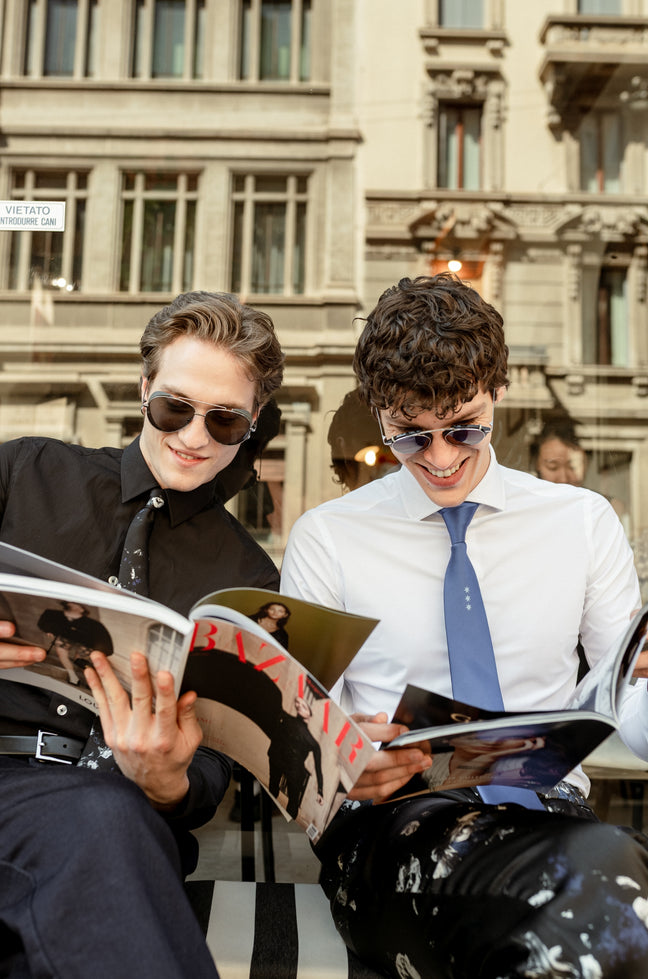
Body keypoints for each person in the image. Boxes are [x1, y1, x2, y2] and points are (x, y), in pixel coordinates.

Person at [281, 273, 648, 979]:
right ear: (378, 414)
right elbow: (292, 740)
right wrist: (340, 759)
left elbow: (632, 721)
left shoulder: (581, 522)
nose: (442, 458)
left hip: (555, 819)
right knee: (607, 896)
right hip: (391, 830)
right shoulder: (329, 537)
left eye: (466, 428)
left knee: (594, 900)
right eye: (409, 437)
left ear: (499, 392)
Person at [0, 291, 284, 979]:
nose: (193, 436)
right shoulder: (24, 472)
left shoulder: (250, 575)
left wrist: (168, 778)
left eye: (224, 421)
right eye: (174, 408)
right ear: (145, 387)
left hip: (116, 825)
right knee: (103, 831)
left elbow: (214, 766)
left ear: (252, 425)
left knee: (107, 827)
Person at [267, 694, 324, 820]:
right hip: (278, 761)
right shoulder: (286, 719)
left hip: (293, 771)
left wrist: (320, 790)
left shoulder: (312, 741)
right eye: (299, 704)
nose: (299, 706)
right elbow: (275, 734)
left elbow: (318, 767)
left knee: (293, 802)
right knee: (273, 788)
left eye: (304, 706)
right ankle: (270, 810)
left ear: (310, 713)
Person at [532, 422, 587, 486]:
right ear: (537, 465)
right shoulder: (524, 495)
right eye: (552, 467)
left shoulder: (594, 496)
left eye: (573, 467)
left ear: (585, 464)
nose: (563, 479)